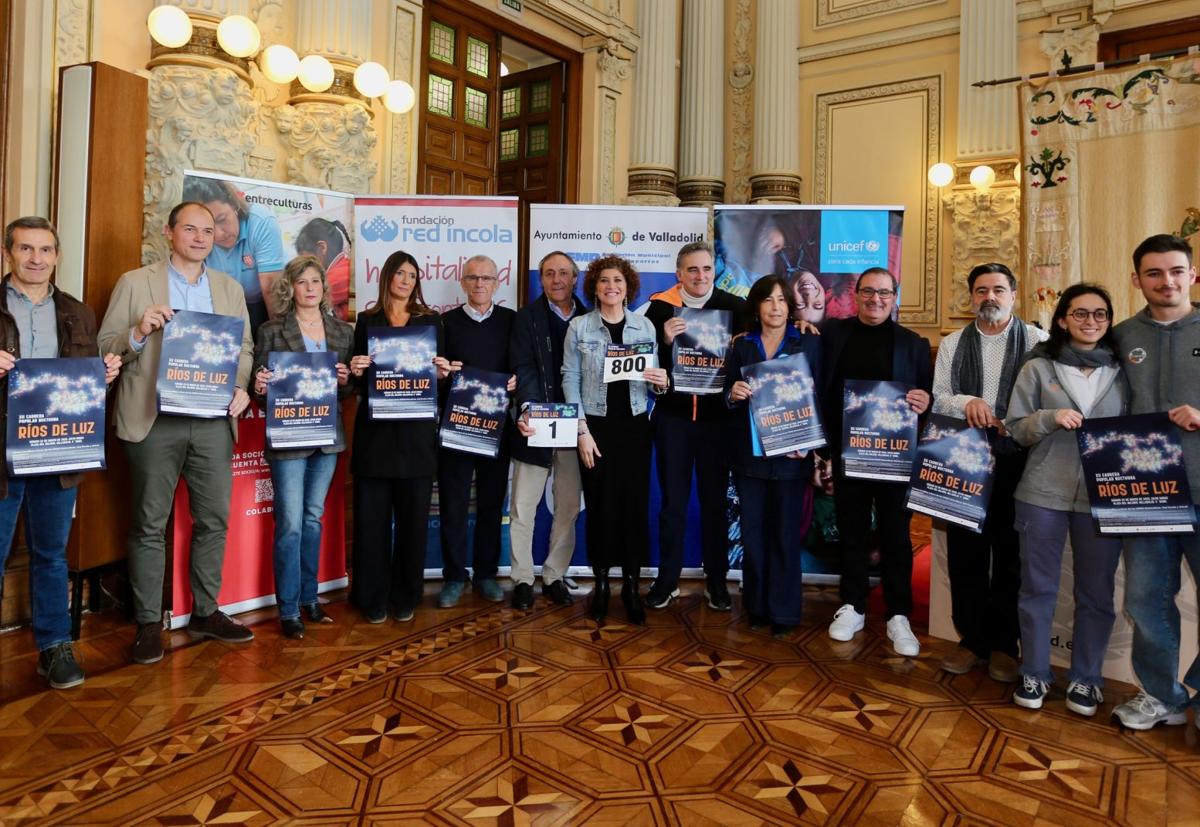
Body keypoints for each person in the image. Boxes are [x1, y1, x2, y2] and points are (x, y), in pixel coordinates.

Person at [98, 202, 255, 665]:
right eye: (190, 228)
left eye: (208, 230)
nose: (201, 237)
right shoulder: (135, 282)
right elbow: (106, 347)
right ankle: (149, 622)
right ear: (169, 232)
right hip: (153, 419)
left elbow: (243, 348)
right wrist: (138, 331)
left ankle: (206, 612)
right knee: (149, 523)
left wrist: (242, 385)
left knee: (214, 520)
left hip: (211, 420)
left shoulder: (229, 289)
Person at [0, 217, 120, 688]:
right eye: (26, 249)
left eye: (45, 250)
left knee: (51, 553)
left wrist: (101, 378)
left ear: (56, 256)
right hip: (3, 454)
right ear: (8, 253)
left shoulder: (77, 311)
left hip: (57, 451)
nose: (36, 258)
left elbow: (81, 384)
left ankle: (54, 647)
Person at [1005, 284, 1126, 715]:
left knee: (1096, 593)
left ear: (1109, 321)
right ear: (1062, 319)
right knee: (1037, 588)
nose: (1090, 322)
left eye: (1100, 315)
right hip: (1042, 494)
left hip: (1105, 497)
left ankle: (1086, 679)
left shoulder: (1123, 369)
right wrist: (1049, 418)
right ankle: (1034, 672)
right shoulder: (1039, 367)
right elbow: (1015, 428)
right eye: (1080, 314)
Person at [932, 263, 1048, 683]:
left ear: (1014, 294)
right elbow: (938, 397)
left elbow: (1049, 396)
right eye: (981, 290)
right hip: (965, 459)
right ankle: (971, 641)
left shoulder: (1038, 341)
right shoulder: (952, 343)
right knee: (966, 554)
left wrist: (1012, 418)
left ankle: (1004, 645)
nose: (990, 298)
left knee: (1012, 554)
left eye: (999, 289)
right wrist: (967, 402)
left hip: (1019, 460)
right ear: (971, 296)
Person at [1111, 234, 1200, 730]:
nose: (1166, 281)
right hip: (1143, 494)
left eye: (1175, 271)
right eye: (1154, 273)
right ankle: (1161, 696)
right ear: (1137, 280)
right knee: (1146, 599)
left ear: (1193, 275)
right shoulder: (1121, 337)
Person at [818, 267, 932, 656]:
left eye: (884, 292)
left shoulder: (913, 344)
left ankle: (898, 614)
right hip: (849, 454)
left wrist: (925, 401)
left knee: (896, 536)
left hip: (895, 459)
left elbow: (928, 396)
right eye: (868, 292)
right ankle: (852, 605)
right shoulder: (835, 334)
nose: (876, 299)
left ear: (894, 296)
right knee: (851, 531)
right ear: (856, 295)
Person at [251, 255, 354, 639]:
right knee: (291, 524)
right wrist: (260, 386)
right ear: (290, 288)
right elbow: (260, 393)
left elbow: (350, 389)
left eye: (316, 281)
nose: (310, 288)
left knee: (312, 519)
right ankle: (289, 608)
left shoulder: (342, 332)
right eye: (302, 282)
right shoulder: (271, 331)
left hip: (327, 437)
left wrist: (345, 380)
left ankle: (312, 599)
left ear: (324, 288)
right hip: (289, 438)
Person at [562, 254, 668, 624]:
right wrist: (581, 432)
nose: (611, 287)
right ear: (594, 287)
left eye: (618, 281)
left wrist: (663, 382)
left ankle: (631, 586)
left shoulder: (645, 328)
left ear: (628, 288)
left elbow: (655, 379)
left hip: (636, 428)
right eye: (604, 281)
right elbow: (569, 381)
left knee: (634, 509)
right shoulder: (579, 328)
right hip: (597, 428)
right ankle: (603, 584)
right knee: (602, 508)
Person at [348, 251, 452, 623]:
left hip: (416, 438)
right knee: (371, 524)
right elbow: (356, 381)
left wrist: (443, 374)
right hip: (375, 437)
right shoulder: (366, 321)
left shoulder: (431, 322)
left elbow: (441, 379)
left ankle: (406, 595)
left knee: (412, 523)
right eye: (400, 273)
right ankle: (371, 596)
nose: (406, 280)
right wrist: (356, 369)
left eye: (412, 274)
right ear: (387, 276)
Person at [644, 241, 747, 611]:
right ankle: (667, 580)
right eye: (692, 270)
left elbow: (768, 335)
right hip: (673, 421)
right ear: (679, 274)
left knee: (715, 504)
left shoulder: (737, 308)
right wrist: (664, 339)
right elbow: (640, 359)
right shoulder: (659, 309)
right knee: (673, 504)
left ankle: (716, 581)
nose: (700, 276)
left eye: (705, 269)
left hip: (718, 422)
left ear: (712, 272)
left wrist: (800, 324)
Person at [725, 275, 821, 636]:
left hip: (792, 456)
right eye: (768, 300)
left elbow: (820, 395)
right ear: (757, 306)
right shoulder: (742, 346)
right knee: (753, 534)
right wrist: (733, 394)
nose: (776, 307)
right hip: (750, 459)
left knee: (784, 534)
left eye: (782, 300)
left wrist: (812, 443)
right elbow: (726, 397)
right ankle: (758, 608)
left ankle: (784, 613)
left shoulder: (807, 342)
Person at [437, 255, 517, 608]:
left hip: (497, 427)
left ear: (497, 283)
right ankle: (454, 576)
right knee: (453, 505)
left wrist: (516, 381)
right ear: (463, 283)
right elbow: (435, 376)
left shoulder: (512, 321)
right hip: (456, 428)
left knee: (490, 503)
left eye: (486, 278)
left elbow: (521, 368)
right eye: (472, 278)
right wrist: (443, 373)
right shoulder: (445, 323)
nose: (479, 284)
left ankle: (486, 573)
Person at [509, 251, 587, 610]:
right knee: (524, 506)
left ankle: (554, 575)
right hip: (535, 423)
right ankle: (522, 578)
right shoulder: (526, 318)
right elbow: (522, 366)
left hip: (576, 426)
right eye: (549, 274)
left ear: (575, 279)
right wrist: (527, 408)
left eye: (563, 273)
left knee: (568, 506)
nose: (556, 280)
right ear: (540, 280)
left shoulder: (590, 318)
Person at [181, 177, 285, 334]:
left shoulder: (262, 222)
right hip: (220, 306)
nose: (218, 233)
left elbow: (271, 290)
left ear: (235, 205)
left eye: (222, 220)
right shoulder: (196, 237)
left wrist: (277, 341)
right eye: (208, 227)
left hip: (261, 305)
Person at [294, 218, 352, 321]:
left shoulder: (335, 278)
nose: (305, 267)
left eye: (306, 260)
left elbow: (297, 304)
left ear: (322, 248)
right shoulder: (344, 264)